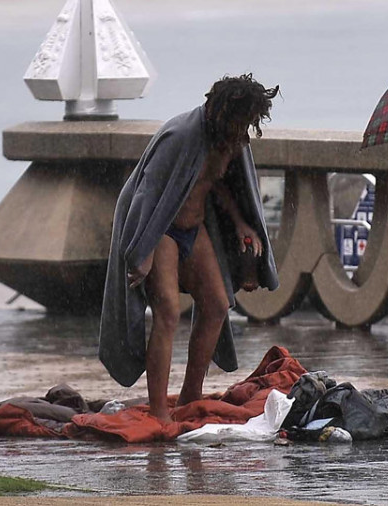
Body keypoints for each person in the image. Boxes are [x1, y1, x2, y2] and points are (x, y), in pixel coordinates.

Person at [98, 74, 280, 421]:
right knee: (166, 313)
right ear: (217, 110)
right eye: (239, 121)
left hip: (192, 229)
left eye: (249, 123)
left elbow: (221, 186)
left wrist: (242, 224)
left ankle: (189, 397)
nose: (243, 130)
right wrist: (142, 249)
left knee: (217, 302)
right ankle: (159, 413)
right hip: (160, 228)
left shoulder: (231, 141)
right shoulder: (181, 135)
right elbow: (146, 192)